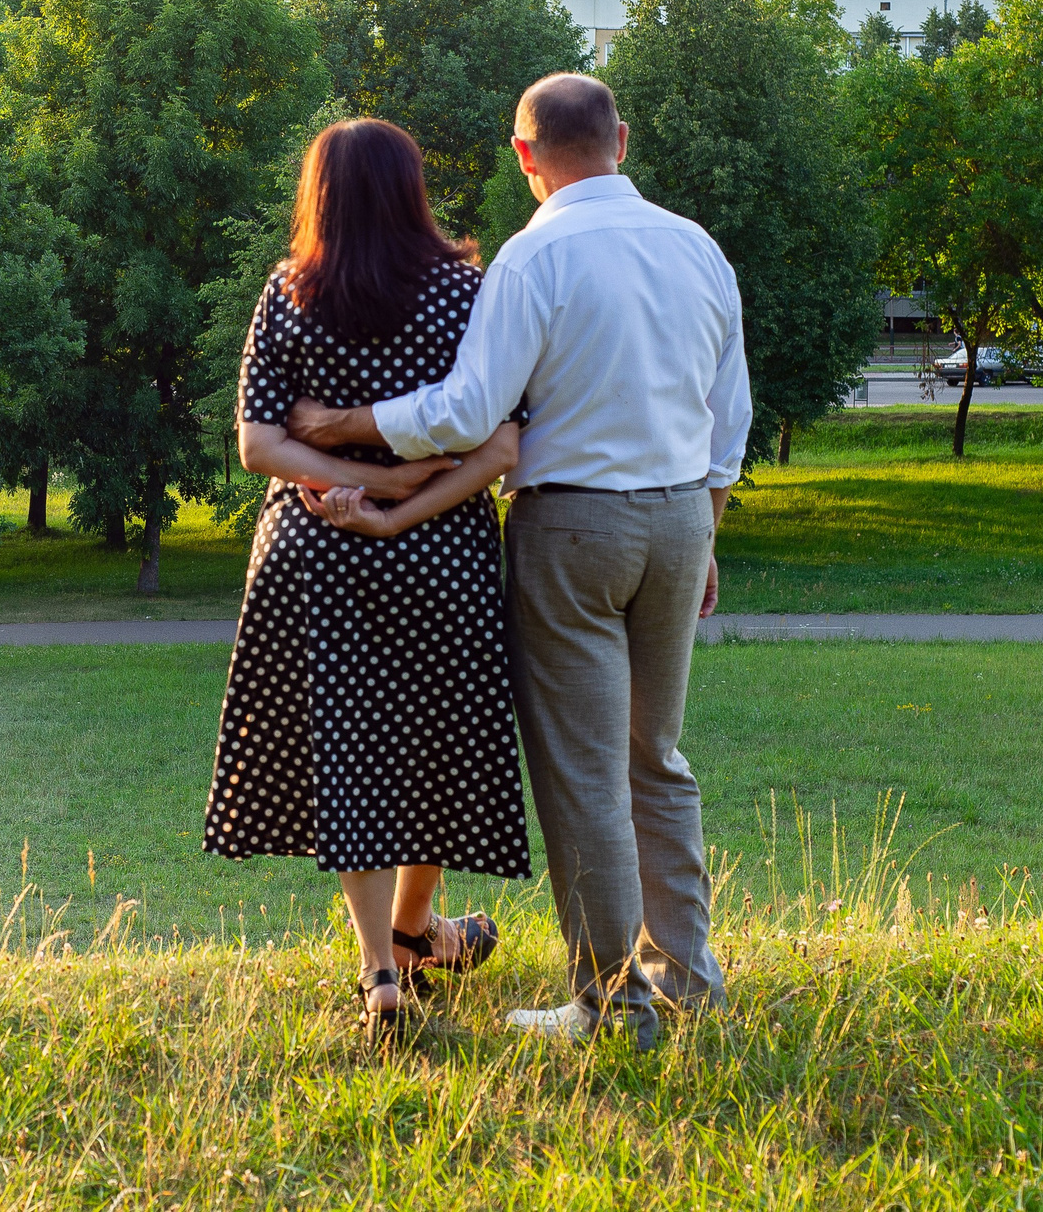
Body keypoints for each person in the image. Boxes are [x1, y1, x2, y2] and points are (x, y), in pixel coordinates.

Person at [288, 73, 748, 1048]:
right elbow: (729, 420)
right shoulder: (697, 247)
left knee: (585, 777)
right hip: (678, 519)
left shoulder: (532, 256)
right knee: (656, 758)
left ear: (524, 154)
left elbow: (466, 410)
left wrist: (343, 421)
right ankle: (688, 979)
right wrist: (704, 530)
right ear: (621, 139)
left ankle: (610, 1007)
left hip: (573, 527)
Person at [205, 117, 536, 1041]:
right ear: (411, 188)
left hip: (316, 549)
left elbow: (257, 443)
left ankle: (384, 968)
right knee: (434, 742)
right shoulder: (466, 291)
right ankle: (414, 927)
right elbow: (500, 439)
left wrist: (353, 475)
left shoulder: (288, 290)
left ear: (317, 195)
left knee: (351, 748)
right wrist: (400, 489)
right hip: (440, 550)